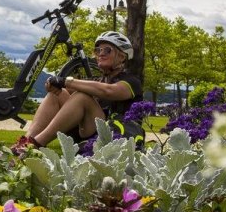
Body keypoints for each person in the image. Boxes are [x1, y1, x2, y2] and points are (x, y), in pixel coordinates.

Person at [12, 31, 144, 154]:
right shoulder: (96, 81)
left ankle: (37, 143)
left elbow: (108, 91)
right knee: (56, 94)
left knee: (82, 97)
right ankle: (26, 141)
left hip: (113, 136)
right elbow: (70, 88)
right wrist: (54, 85)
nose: (100, 54)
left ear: (122, 57)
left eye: (107, 50)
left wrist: (66, 81)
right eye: (98, 50)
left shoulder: (131, 82)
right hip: (87, 132)